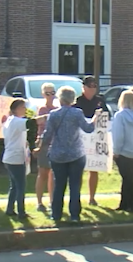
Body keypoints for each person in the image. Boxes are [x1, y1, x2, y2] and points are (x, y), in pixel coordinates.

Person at [41, 86, 100, 223]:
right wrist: (95, 118)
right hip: (76, 154)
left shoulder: (53, 115)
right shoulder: (77, 113)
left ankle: (56, 214)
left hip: (57, 154)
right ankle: (74, 215)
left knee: (59, 185)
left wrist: (41, 146)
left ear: (59, 99)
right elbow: (88, 128)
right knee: (75, 186)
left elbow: (48, 135)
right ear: (73, 100)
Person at [74, 76, 109, 206]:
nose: (92, 89)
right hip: (81, 140)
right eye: (90, 87)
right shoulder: (77, 101)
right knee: (78, 170)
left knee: (94, 169)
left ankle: (92, 198)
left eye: (94, 86)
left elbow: (107, 117)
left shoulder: (100, 101)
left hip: (95, 140)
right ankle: (76, 196)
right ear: (83, 87)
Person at [112, 90, 133, 213]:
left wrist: (116, 150)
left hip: (125, 149)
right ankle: (124, 203)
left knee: (127, 178)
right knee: (128, 178)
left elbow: (118, 135)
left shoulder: (119, 116)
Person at [2, 99, 30, 218]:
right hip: (16, 158)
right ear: (16, 109)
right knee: (20, 186)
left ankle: (10, 209)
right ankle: (21, 212)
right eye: (23, 107)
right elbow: (31, 123)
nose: (25, 109)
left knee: (14, 185)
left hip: (9, 157)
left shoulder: (9, 121)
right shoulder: (17, 121)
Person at [34, 83, 57, 212]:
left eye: (53, 93)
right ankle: (39, 202)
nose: (51, 96)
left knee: (52, 174)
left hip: (55, 143)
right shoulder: (42, 109)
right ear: (43, 94)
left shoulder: (56, 108)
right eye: (48, 93)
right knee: (43, 172)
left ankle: (52, 201)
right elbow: (40, 125)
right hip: (43, 142)